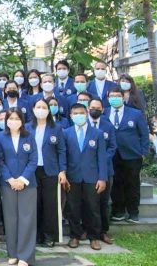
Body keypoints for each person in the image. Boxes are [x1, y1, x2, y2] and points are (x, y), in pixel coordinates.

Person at [62, 103, 108, 250]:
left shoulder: (97, 133)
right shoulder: (66, 133)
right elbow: (63, 156)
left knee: (93, 207)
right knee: (73, 207)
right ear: (71, 116)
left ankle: (94, 237)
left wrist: (102, 178)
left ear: (87, 113)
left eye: (81, 113)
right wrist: (63, 173)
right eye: (75, 113)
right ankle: (75, 236)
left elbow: (102, 158)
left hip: (92, 177)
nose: (78, 116)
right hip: (72, 177)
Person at [0, 109, 37, 266]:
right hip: (8, 184)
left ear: (22, 120)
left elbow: (33, 160)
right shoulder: (0, 137)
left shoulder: (29, 136)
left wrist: (22, 179)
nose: (13, 121)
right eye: (10, 118)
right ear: (6, 120)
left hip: (27, 184)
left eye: (16, 118)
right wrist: (10, 179)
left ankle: (25, 256)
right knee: (10, 219)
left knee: (27, 219)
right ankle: (13, 253)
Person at [27, 99, 67, 248]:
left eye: (44, 107)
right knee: (34, 204)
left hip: (50, 170)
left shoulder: (56, 128)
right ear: (33, 109)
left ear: (48, 110)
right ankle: (37, 235)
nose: (41, 109)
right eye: (38, 107)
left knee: (50, 204)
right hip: (32, 171)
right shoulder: (27, 127)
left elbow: (61, 150)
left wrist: (62, 170)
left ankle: (49, 236)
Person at [107, 87, 149, 223]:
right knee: (116, 184)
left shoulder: (135, 113)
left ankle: (133, 212)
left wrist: (144, 152)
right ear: (108, 98)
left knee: (132, 184)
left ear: (123, 97)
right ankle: (118, 211)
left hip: (132, 154)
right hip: (112, 155)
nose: (115, 98)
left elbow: (144, 134)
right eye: (112, 96)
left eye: (117, 96)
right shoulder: (104, 113)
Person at [87, 98, 117, 244]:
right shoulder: (83, 125)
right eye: (92, 107)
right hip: (87, 169)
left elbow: (112, 146)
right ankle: (87, 229)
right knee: (87, 202)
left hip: (105, 169)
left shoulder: (108, 126)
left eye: (98, 108)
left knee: (104, 202)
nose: (95, 110)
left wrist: (101, 158)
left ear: (103, 110)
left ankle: (103, 231)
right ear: (88, 108)